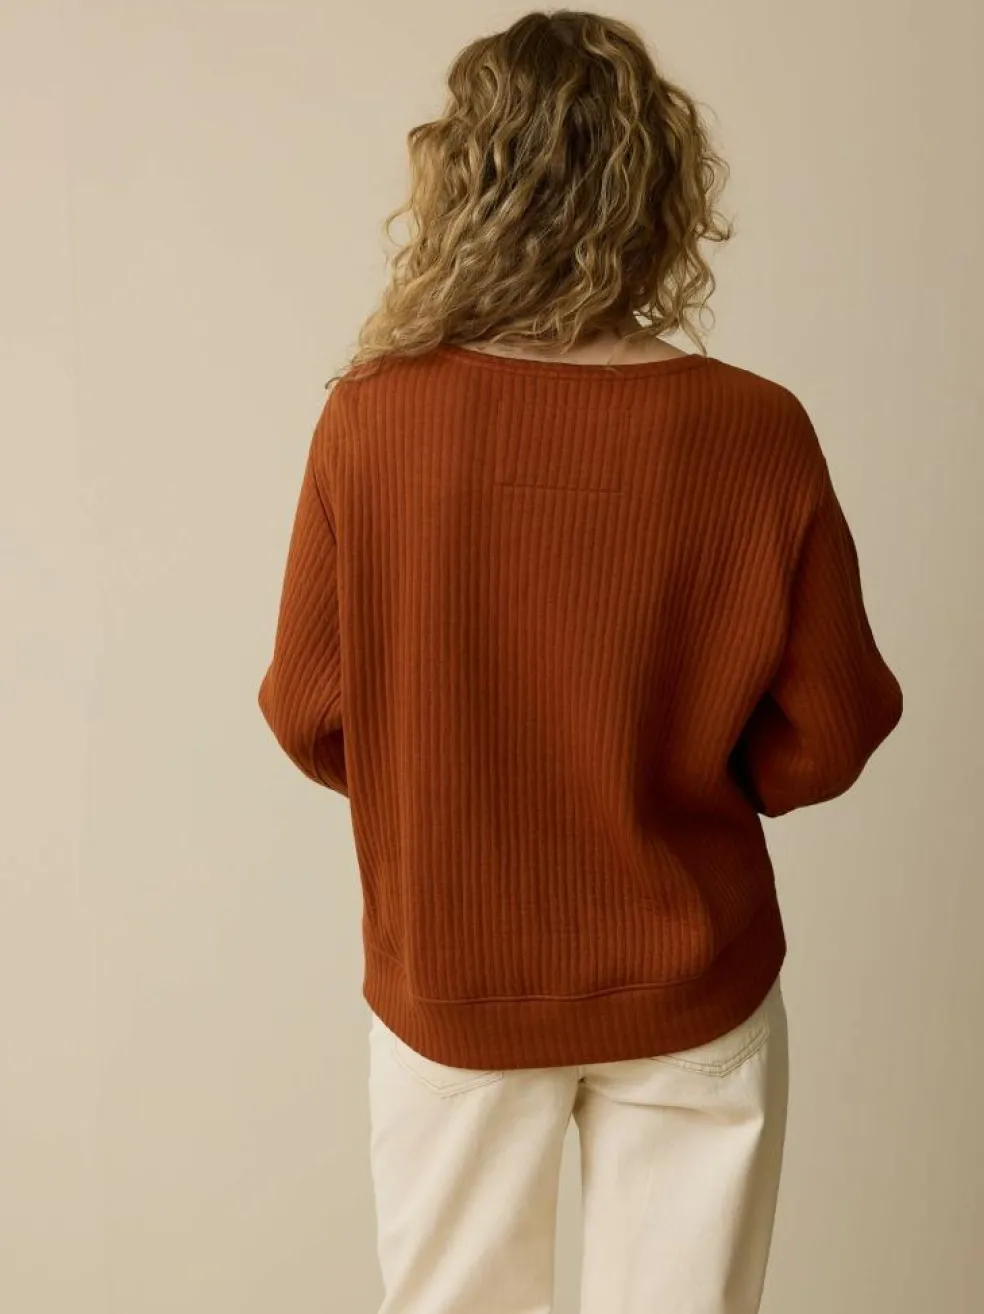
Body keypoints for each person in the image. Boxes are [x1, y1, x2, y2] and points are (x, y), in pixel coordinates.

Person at [256, 10, 903, 1313]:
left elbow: (311, 710)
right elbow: (833, 728)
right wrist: (678, 776)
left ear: (462, 182)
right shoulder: (755, 430)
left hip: (454, 970)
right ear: (656, 189)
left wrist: (454, 784)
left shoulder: (371, 419)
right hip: (692, 971)